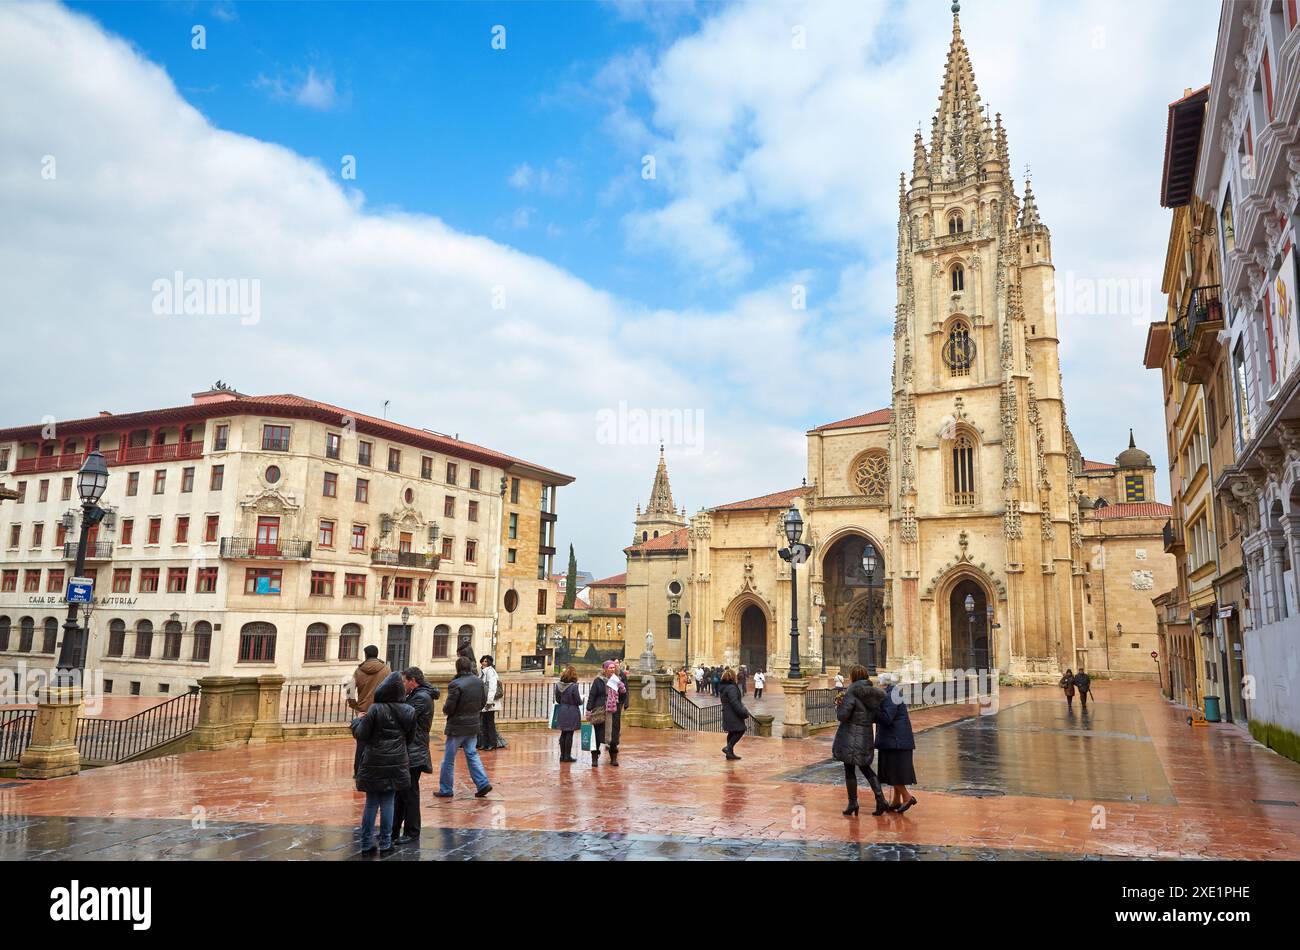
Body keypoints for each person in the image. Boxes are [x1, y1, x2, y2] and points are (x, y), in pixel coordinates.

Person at [351, 671, 416, 854]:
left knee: (371, 803)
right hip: (397, 761)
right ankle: (386, 842)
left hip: (374, 761)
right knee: (388, 802)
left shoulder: (375, 709)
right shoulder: (409, 711)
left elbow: (361, 735)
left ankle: (366, 843)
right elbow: (410, 738)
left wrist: (357, 722)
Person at [832, 665, 888, 817]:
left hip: (850, 735)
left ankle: (853, 802)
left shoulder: (852, 692)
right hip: (866, 734)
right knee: (865, 767)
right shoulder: (875, 695)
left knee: (849, 769)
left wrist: (839, 706)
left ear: (854, 677)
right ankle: (880, 799)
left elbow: (842, 716)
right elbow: (875, 716)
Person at [393, 667, 439, 844]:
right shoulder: (416, 695)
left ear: (413, 680)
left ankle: (412, 832)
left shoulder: (421, 697)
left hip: (415, 749)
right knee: (401, 793)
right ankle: (394, 829)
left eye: (405, 681)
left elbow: (404, 716)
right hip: (410, 748)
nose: (403, 684)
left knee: (410, 793)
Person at [436, 656, 492, 798]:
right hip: (473, 723)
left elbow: (450, 706)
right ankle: (482, 783)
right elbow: (483, 701)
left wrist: (446, 710)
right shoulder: (478, 682)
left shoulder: (455, 684)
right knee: (472, 754)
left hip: (457, 726)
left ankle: (446, 789)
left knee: (448, 759)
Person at [875, 673, 918, 813]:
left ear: (883, 684)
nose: (877, 686)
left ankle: (907, 797)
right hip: (896, 739)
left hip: (895, 741)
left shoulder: (889, 696)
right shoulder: (892, 693)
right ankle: (895, 800)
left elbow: (887, 718)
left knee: (892, 771)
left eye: (878, 683)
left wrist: (874, 710)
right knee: (895, 771)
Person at [348, 646, 391, 779]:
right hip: (381, 710)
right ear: (377, 654)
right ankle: (378, 770)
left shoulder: (358, 670)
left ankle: (358, 771)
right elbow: (393, 688)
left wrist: (355, 706)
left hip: (364, 711)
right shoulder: (386, 669)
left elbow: (349, 691)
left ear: (366, 655)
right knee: (380, 742)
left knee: (362, 742)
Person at [585, 660, 626, 766]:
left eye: (613, 667)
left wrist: (622, 690)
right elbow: (592, 695)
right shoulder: (598, 681)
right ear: (605, 669)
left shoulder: (618, 680)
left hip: (613, 712)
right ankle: (595, 758)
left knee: (614, 735)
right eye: (610, 667)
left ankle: (613, 758)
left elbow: (622, 698)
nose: (612, 669)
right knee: (597, 736)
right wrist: (589, 709)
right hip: (600, 711)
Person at [718, 667, 752, 760]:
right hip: (732, 713)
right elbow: (734, 702)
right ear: (733, 677)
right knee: (741, 730)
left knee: (732, 732)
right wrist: (743, 712)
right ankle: (728, 748)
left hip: (727, 713)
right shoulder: (731, 688)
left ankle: (730, 753)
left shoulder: (725, 687)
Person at [554, 665, 583, 762]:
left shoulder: (558, 685)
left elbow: (558, 699)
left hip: (562, 710)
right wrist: (581, 700)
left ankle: (562, 756)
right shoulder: (574, 686)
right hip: (572, 711)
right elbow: (578, 700)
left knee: (563, 733)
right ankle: (567, 756)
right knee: (569, 733)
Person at [478, 655, 505, 751]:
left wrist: (489, 702)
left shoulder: (490, 672)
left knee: (489, 724)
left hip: (489, 703)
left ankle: (492, 744)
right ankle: (485, 743)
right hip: (484, 702)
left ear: (489, 662)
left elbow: (492, 688)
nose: (484, 663)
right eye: (483, 661)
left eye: (486, 661)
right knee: (483, 724)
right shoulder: (482, 672)